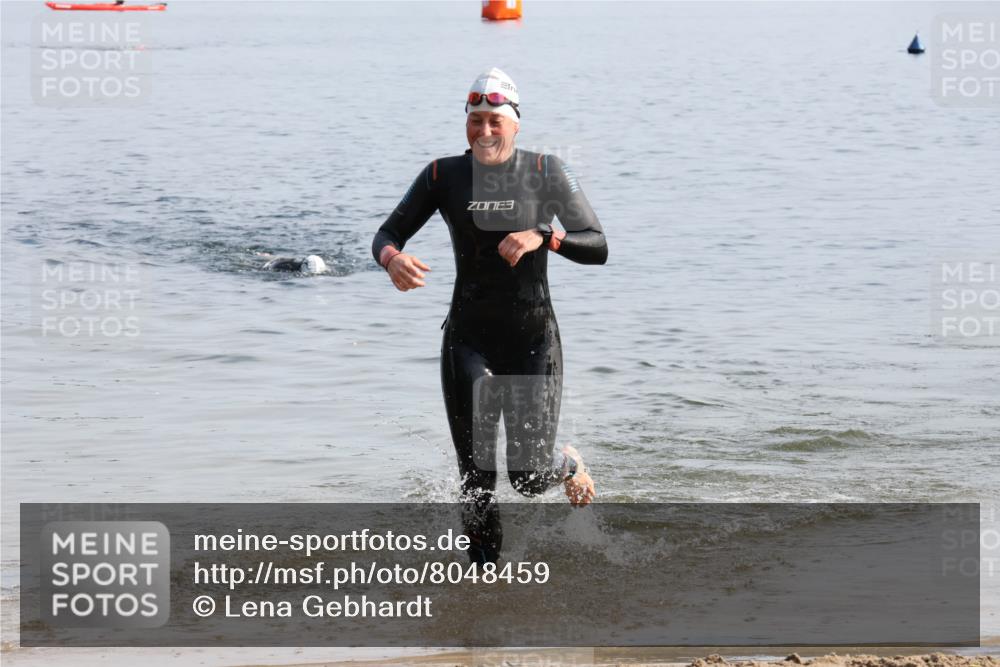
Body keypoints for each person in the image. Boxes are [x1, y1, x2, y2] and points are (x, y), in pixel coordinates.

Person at [372, 67, 607, 564]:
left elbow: (598, 246)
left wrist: (547, 236)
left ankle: (565, 465)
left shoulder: (546, 171)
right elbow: (387, 233)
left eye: (494, 120)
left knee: (527, 477)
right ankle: (484, 594)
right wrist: (393, 259)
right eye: (475, 120)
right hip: (468, 339)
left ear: (515, 123)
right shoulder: (443, 175)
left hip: (532, 339)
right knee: (476, 477)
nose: (484, 131)